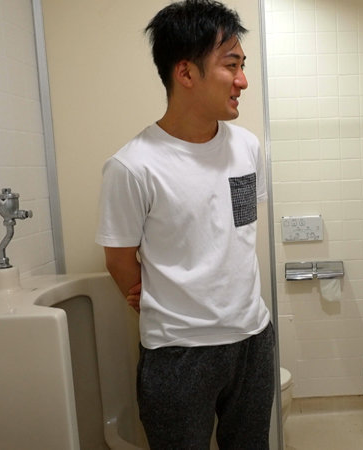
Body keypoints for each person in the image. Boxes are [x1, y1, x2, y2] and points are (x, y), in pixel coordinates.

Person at [95, 1, 273, 448]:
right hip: (177, 353)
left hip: (252, 338)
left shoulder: (248, 148)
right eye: (231, 65)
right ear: (186, 73)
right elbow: (119, 260)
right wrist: (167, 300)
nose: (243, 80)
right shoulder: (133, 166)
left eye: (243, 65)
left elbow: (239, 230)